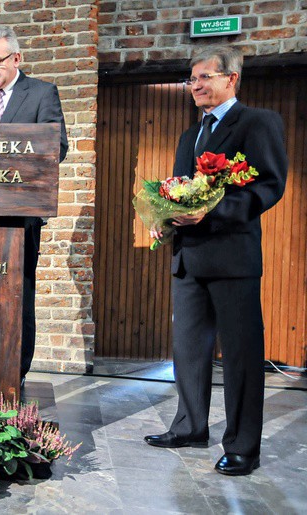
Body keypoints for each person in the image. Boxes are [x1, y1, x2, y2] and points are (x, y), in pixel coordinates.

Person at [143, 47, 288, 476]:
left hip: (232, 259)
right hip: (188, 260)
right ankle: (190, 426)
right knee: (188, 350)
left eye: (205, 77)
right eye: (192, 79)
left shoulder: (258, 123)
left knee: (241, 356)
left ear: (232, 80)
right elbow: (178, 190)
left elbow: (269, 186)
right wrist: (163, 221)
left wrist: (214, 212)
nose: (196, 86)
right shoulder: (190, 136)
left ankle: (243, 446)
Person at [0, 25, 68, 385]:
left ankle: (15, 374)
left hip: (21, 217)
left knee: (17, 296)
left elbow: (57, 148)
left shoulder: (40, 93)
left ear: (16, 58)